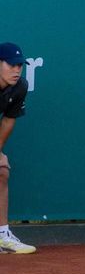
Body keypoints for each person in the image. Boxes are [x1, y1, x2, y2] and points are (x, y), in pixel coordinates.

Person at [0, 43, 36, 253]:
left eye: (19, 66)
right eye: (11, 65)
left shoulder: (20, 87)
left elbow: (7, 121)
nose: (16, 70)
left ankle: (2, 236)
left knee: (2, 172)